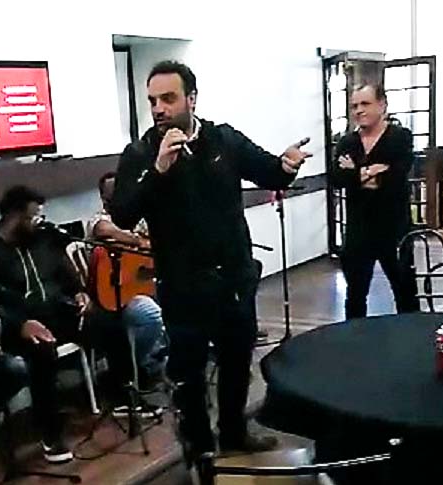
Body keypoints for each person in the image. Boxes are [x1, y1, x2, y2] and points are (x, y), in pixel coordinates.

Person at [111, 60, 311, 456]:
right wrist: (158, 170)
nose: (159, 109)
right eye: (153, 101)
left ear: (192, 99)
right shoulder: (140, 153)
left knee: (236, 365)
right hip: (182, 288)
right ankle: (200, 449)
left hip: (233, 280)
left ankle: (234, 433)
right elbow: (122, 214)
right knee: (188, 376)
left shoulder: (223, 140)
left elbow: (270, 172)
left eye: (168, 98)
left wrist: (286, 166)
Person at [0, 186, 134, 463]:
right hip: (17, 326)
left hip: (56, 314)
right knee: (42, 351)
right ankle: (50, 434)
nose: (39, 222)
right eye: (33, 217)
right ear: (14, 217)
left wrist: (80, 293)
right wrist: (20, 323)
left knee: (108, 323)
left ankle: (122, 397)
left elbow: (66, 274)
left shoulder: (43, 240)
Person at [331, 83, 419, 319]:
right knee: (355, 295)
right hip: (359, 230)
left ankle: (411, 336)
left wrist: (356, 173)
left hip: (394, 228)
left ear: (382, 105)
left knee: (405, 291)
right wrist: (372, 172)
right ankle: (355, 338)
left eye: (365, 104)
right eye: (354, 106)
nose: (359, 110)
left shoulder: (399, 137)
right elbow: (337, 179)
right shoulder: (347, 143)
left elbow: (395, 176)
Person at [87, 171, 166, 388]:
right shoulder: (99, 219)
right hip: (113, 297)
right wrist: (136, 240)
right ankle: (132, 367)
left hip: (145, 285)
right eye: (111, 191)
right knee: (151, 315)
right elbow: (104, 230)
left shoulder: (139, 218)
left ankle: (157, 361)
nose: (116, 195)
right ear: (103, 197)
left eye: (119, 189)